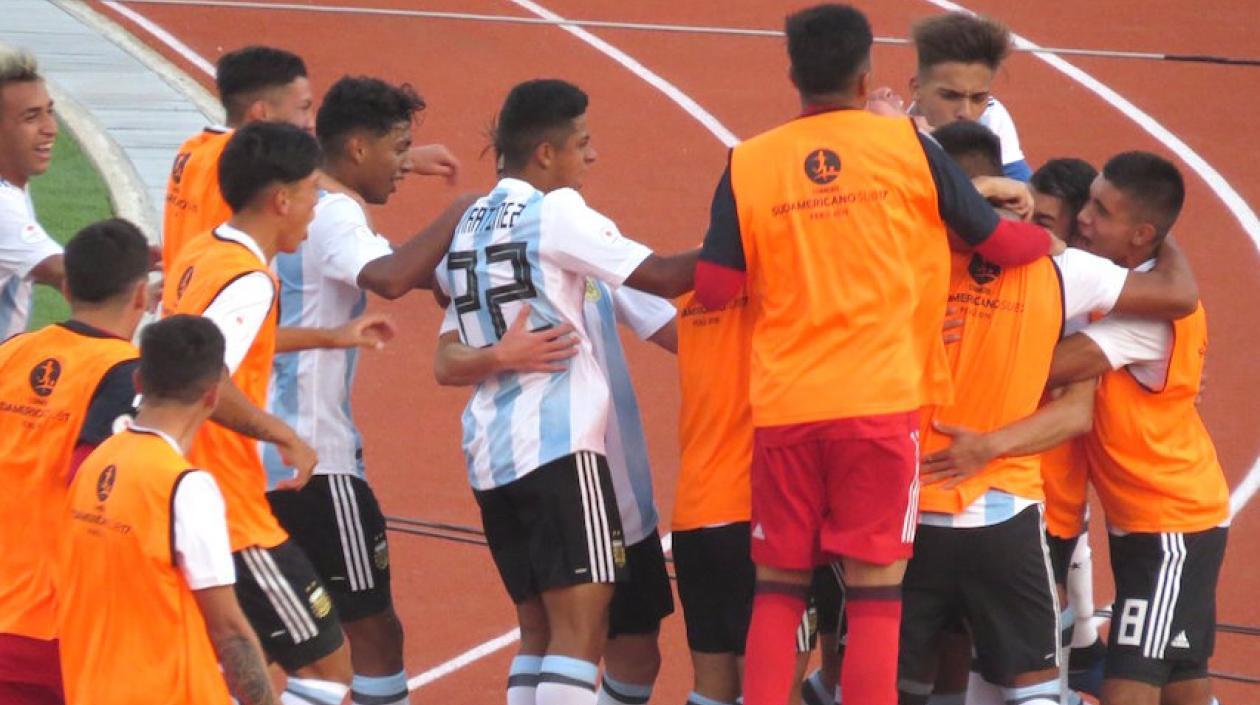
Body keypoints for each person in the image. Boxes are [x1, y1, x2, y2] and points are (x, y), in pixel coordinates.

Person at [693, 5, 1059, 704]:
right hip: (883, 406)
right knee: (875, 592)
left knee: (778, 587)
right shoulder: (909, 149)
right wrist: (1044, 236)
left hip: (786, 407)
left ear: (793, 75)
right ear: (869, 79)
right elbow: (999, 242)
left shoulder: (749, 160)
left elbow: (715, 288)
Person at [901, 134, 1198, 705]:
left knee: (907, 683)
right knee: (1011, 685)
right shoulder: (1058, 267)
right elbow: (1175, 292)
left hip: (928, 509)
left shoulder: (909, 255)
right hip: (997, 513)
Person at [435, 77, 696, 705]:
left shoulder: (471, 225)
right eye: (582, 143)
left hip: (500, 460)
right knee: (578, 636)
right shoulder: (557, 215)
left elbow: (445, 351)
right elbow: (661, 275)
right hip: (566, 454)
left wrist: (495, 354)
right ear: (545, 152)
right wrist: (754, 233)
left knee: (558, 634)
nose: (593, 156)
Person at [264, 74, 473, 705]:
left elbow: (407, 269)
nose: (403, 166)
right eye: (397, 149)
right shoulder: (335, 216)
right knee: (369, 631)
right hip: (316, 460)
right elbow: (385, 276)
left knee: (274, 632)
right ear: (357, 148)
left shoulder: (298, 203)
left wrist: (441, 269)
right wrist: (460, 214)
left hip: (260, 452)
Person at [164, 121, 366, 704]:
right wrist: (285, 434)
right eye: (311, 193)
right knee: (329, 670)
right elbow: (208, 378)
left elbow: (228, 341)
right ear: (281, 199)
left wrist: (331, 338)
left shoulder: (203, 251)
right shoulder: (251, 279)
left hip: (189, 492)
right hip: (232, 512)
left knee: (232, 663)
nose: (315, 206)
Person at [1047, 152, 1229, 705]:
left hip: (1168, 525)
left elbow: (1049, 365)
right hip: (1156, 521)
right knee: (1181, 679)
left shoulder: (1147, 318)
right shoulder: (1140, 279)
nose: (1083, 217)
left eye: (1100, 211)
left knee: (1131, 679)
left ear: (1142, 234)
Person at [57, 315, 278, 705]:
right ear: (212, 396)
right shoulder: (185, 486)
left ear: (139, 382)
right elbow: (229, 631)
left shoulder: (95, 462)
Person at [0, 218, 151, 704]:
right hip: (55, 629)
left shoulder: (13, 351)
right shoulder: (125, 376)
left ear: (66, 287)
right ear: (142, 297)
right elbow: (99, 493)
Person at [1030, 157, 1109, 698]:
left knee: (1027, 665)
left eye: (1042, 221)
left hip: (1043, 506)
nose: (1026, 229)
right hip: (1019, 500)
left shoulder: (1084, 300)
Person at [909, 12, 1032, 180]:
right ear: (917, 89)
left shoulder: (993, 117)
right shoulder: (897, 133)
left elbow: (1024, 192)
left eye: (978, 98)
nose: (966, 113)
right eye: (950, 96)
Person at [0, 46, 65, 341]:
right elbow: (71, 277)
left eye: (49, 112)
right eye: (31, 117)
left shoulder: (13, 186)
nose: (50, 129)